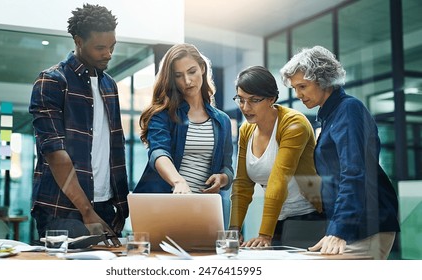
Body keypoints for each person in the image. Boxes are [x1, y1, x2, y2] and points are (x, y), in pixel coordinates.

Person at [280, 46, 400, 259]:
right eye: (295, 88)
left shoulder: (348, 110)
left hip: (366, 224)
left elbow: (354, 172)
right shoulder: (330, 117)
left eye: (303, 86)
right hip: (350, 224)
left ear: (323, 80)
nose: (298, 94)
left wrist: (339, 229)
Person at [28, 4, 129, 247]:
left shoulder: (109, 86)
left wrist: (120, 208)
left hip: (105, 206)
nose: (108, 54)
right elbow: (55, 154)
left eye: (112, 46)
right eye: (100, 48)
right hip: (63, 209)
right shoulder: (52, 81)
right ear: (78, 41)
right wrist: (86, 211)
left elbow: (114, 150)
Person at [229, 66, 324, 248]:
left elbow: (278, 178)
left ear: (271, 99)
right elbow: (242, 184)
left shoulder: (294, 124)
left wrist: (264, 234)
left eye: (254, 100)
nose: (245, 107)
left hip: (309, 218)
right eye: (240, 100)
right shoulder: (246, 129)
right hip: (279, 219)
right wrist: (234, 230)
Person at [133, 43, 234, 195]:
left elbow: (227, 167)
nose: (187, 81)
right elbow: (159, 152)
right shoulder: (162, 115)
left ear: (202, 68)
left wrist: (222, 178)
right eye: (178, 76)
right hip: (166, 204)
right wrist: (178, 181)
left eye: (192, 72)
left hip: (203, 207)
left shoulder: (222, 120)